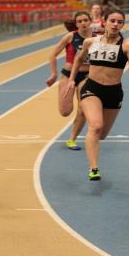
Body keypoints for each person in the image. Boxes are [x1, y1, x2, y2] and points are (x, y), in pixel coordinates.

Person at [66, 9, 129, 180]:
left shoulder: (127, 45)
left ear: (122, 25)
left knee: (103, 134)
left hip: (114, 92)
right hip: (91, 87)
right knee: (96, 126)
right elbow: (78, 59)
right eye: (112, 21)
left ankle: (91, 135)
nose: (116, 24)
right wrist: (71, 79)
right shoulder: (90, 42)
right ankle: (94, 169)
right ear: (104, 22)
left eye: (119, 22)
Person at [46, 11, 93, 151]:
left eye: (85, 20)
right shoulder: (70, 37)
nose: (83, 23)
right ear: (76, 24)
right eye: (80, 21)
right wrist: (53, 74)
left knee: (83, 108)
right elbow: (53, 55)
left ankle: (72, 139)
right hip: (68, 75)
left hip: (87, 76)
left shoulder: (97, 38)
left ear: (90, 21)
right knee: (65, 111)